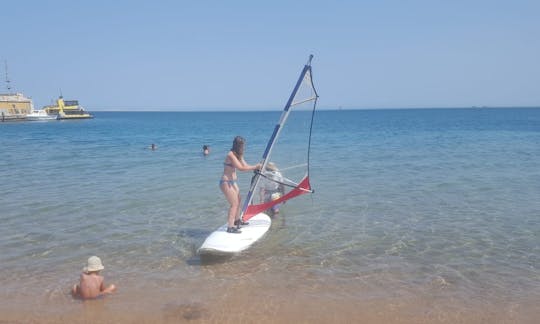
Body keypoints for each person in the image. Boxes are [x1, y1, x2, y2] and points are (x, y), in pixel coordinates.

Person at [220, 136, 261, 234]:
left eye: (243, 145)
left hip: (233, 183)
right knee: (234, 204)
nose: (243, 147)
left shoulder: (239, 155)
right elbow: (241, 168)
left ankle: (237, 221)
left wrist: (255, 167)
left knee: (238, 201)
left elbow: (245, 165)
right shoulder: (230, 155)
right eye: (242, 145)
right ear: (237, 145)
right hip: (226, 183)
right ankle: (230, 227)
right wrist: (255, 166)